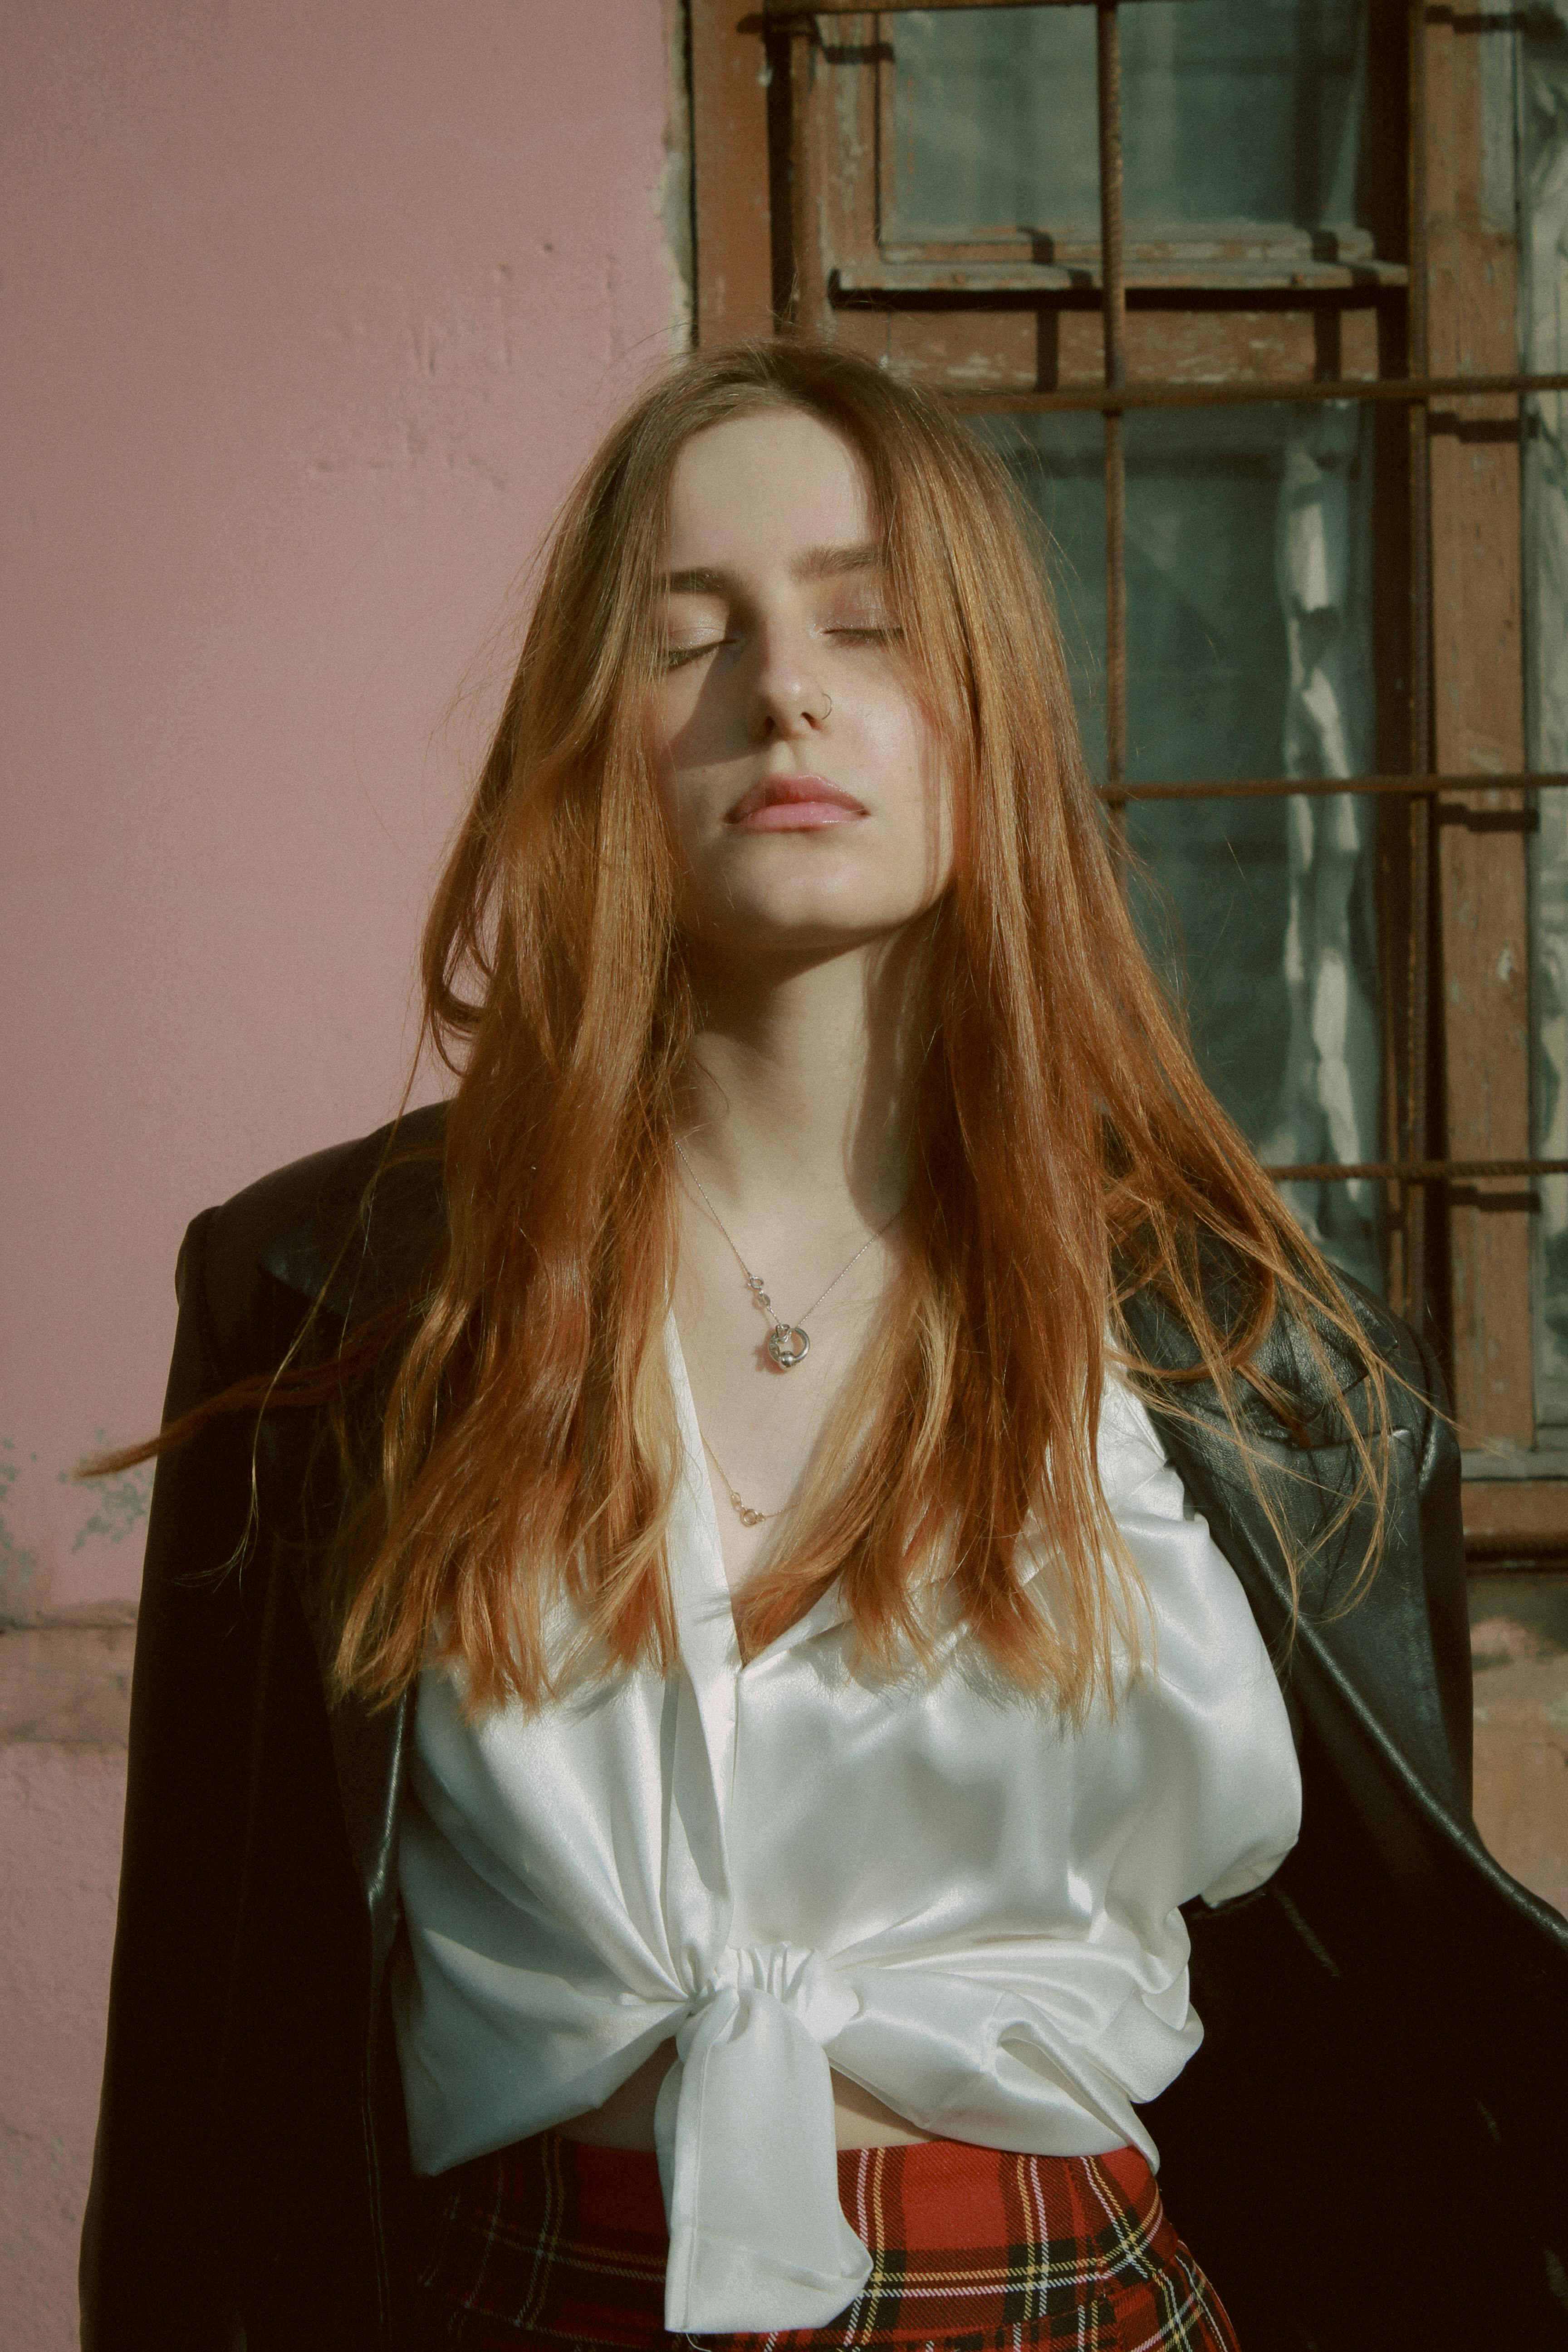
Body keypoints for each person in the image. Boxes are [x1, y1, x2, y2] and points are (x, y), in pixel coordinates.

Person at [82, 342, 1568, 2352]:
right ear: (591, 734)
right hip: (518, 2301)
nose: (783, 688)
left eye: (868, 623)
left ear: (993, 718)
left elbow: (1392, 2063)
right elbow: (210, 2056)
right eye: (693, 634)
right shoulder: (326, 1291)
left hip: (1074, 2309)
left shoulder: (1262, 1356)